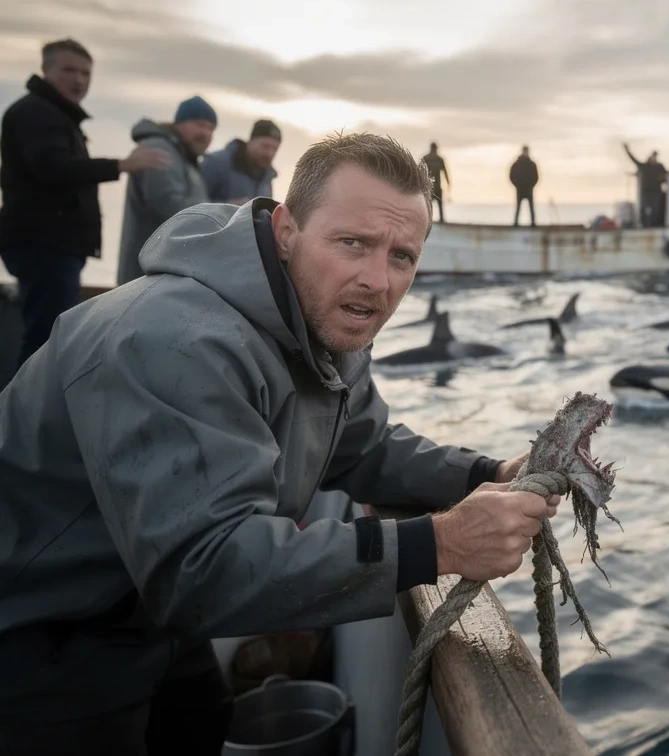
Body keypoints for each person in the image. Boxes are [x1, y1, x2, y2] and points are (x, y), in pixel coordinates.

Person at [0, 132, 558, 754]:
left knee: (201, 724)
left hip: (141, 614)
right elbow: (204, 568)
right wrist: (443, 542)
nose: (378, 279)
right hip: (39, 629)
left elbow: (363, 447)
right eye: (353, 243)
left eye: (402, 256)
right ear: (287, 229)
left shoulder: (321, 318)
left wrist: (485, 472)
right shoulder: (174, 338)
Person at [0, 38, 170, 365]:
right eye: (68, 70)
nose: (78, 80)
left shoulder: (54, 115)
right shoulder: (37, 113)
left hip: (52, 246)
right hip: (44, 244)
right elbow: (52, 168)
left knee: (46, 339)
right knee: (44, 345)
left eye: (85, 73)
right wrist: (120, 165)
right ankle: (21, 414)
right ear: (46, 70)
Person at [116, 95, 216, 285]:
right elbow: (169, 205)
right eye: (199, 124)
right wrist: (221, 213)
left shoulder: (187, 160)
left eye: (210, 128)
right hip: (147, 276)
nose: (205, 133)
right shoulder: (159, 151)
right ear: (179, 123)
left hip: (166, 273)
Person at [200, 118, 282, 204]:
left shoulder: (266, 177)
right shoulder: (216, 163)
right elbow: (192, 204)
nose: (269, 153)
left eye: (274, 149)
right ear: (251, 141)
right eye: (265, 146)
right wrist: (230, 207)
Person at [623, 142, 667, 227]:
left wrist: (661, 179)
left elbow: (666, 176)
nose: (654, 158)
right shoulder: (644, 166)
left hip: (656, 192)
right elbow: (633, 159)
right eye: (653, 156)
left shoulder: (660, 167)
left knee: (655, 210)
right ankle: (644, 225)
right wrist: (627, 150)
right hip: (645, 192)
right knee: (643, 209)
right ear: (650, 157)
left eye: (655, 156)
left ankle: (654, 225)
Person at [509, 144, 538, 227]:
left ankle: (533, 224)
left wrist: (531, 185)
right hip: (520, 189)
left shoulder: (532, 164)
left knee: (531, 208)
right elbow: (511, 176)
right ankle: (516, 224)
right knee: (518, 208)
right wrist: (517, 185)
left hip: (529, 189)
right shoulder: (517, 164)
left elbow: (536, 177)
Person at [421, 142, 450, 223]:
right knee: (439, 204)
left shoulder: (426, 158)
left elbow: (419, 172)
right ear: (436, 148)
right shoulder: (439, 159)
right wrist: (448, 183)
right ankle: (441, 221)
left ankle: (427, 221)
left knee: (428, 205)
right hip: (437, 187)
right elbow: (445, 172)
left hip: (428, 187)